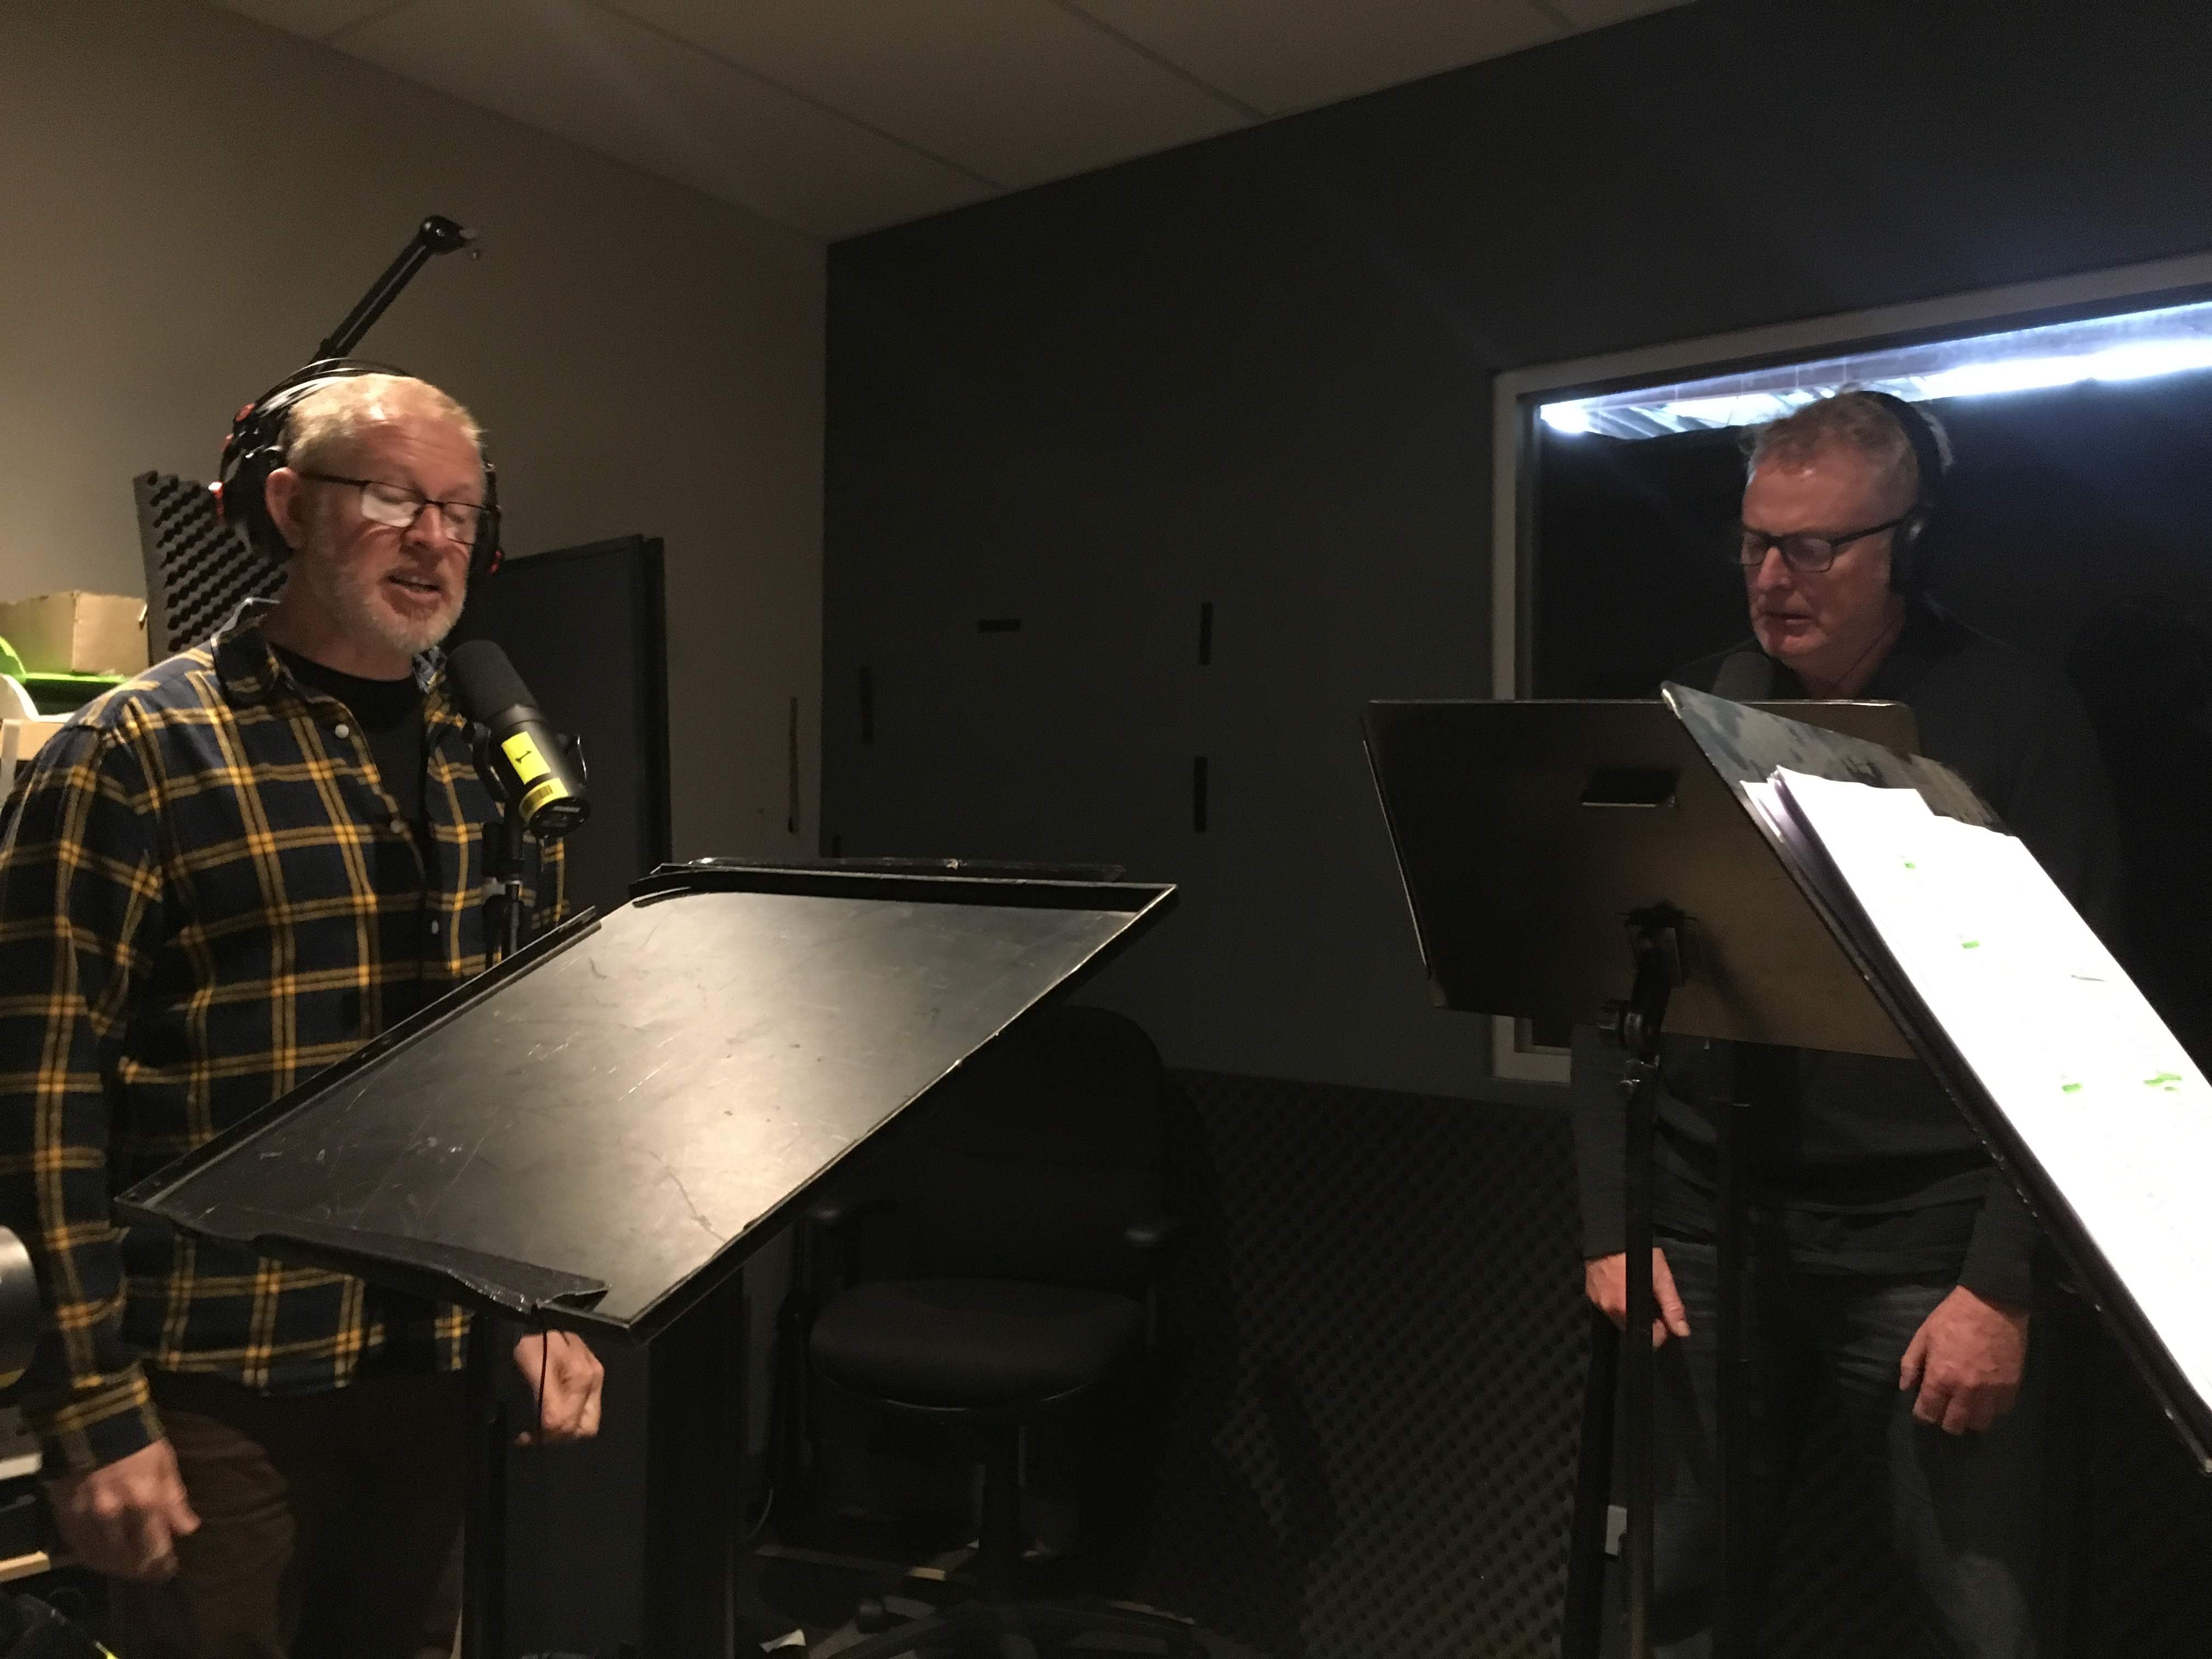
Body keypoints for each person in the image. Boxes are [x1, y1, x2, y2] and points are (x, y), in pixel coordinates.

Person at [0, 373, 605, 1659]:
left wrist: (544, 1306)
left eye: (461, 512)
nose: (434, 539)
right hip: (215, 1381)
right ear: (284, 507)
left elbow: (530, 1075)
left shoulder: (495, 760)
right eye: (392, 498)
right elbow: (37, 1100)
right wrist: (92, 1409)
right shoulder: (135, 750)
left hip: (433, 1362)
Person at [1572, 391, 2121, 1657]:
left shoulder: (2015, 718)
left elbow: (2073, 1031)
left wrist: (2002, 1284)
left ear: (1907, 545)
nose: (1774, 578)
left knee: (1986, 1608)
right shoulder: (1700, 706)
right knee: (1674, 1587)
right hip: (1709, 1224)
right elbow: (1611, 981)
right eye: (1756, 542)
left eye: (1815, 547)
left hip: (1929, 1239)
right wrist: (1614, 1223)